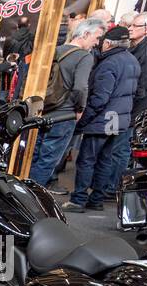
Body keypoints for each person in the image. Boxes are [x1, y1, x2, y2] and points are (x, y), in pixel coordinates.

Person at [66, 25, 139, 213]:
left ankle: (79, 200)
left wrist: (82, 121)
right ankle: (96, 199)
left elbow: (100, 99)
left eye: (102, 41)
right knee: (105, 158)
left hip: (103, 118)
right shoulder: (132, 60)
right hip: (118, 118)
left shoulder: (109, 63)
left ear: (108, 43)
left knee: (87, 159)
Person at [30, 19, 102, 188]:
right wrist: (80, 109)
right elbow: (80, 87)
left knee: (34, 155)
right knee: (48, 160)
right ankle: (32, 198)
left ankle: (24, 193)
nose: (97, 43)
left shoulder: (55, 51)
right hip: (64, 114)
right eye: (97, 37)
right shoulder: (84, 57)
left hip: (43, 109)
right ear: (85, 34)